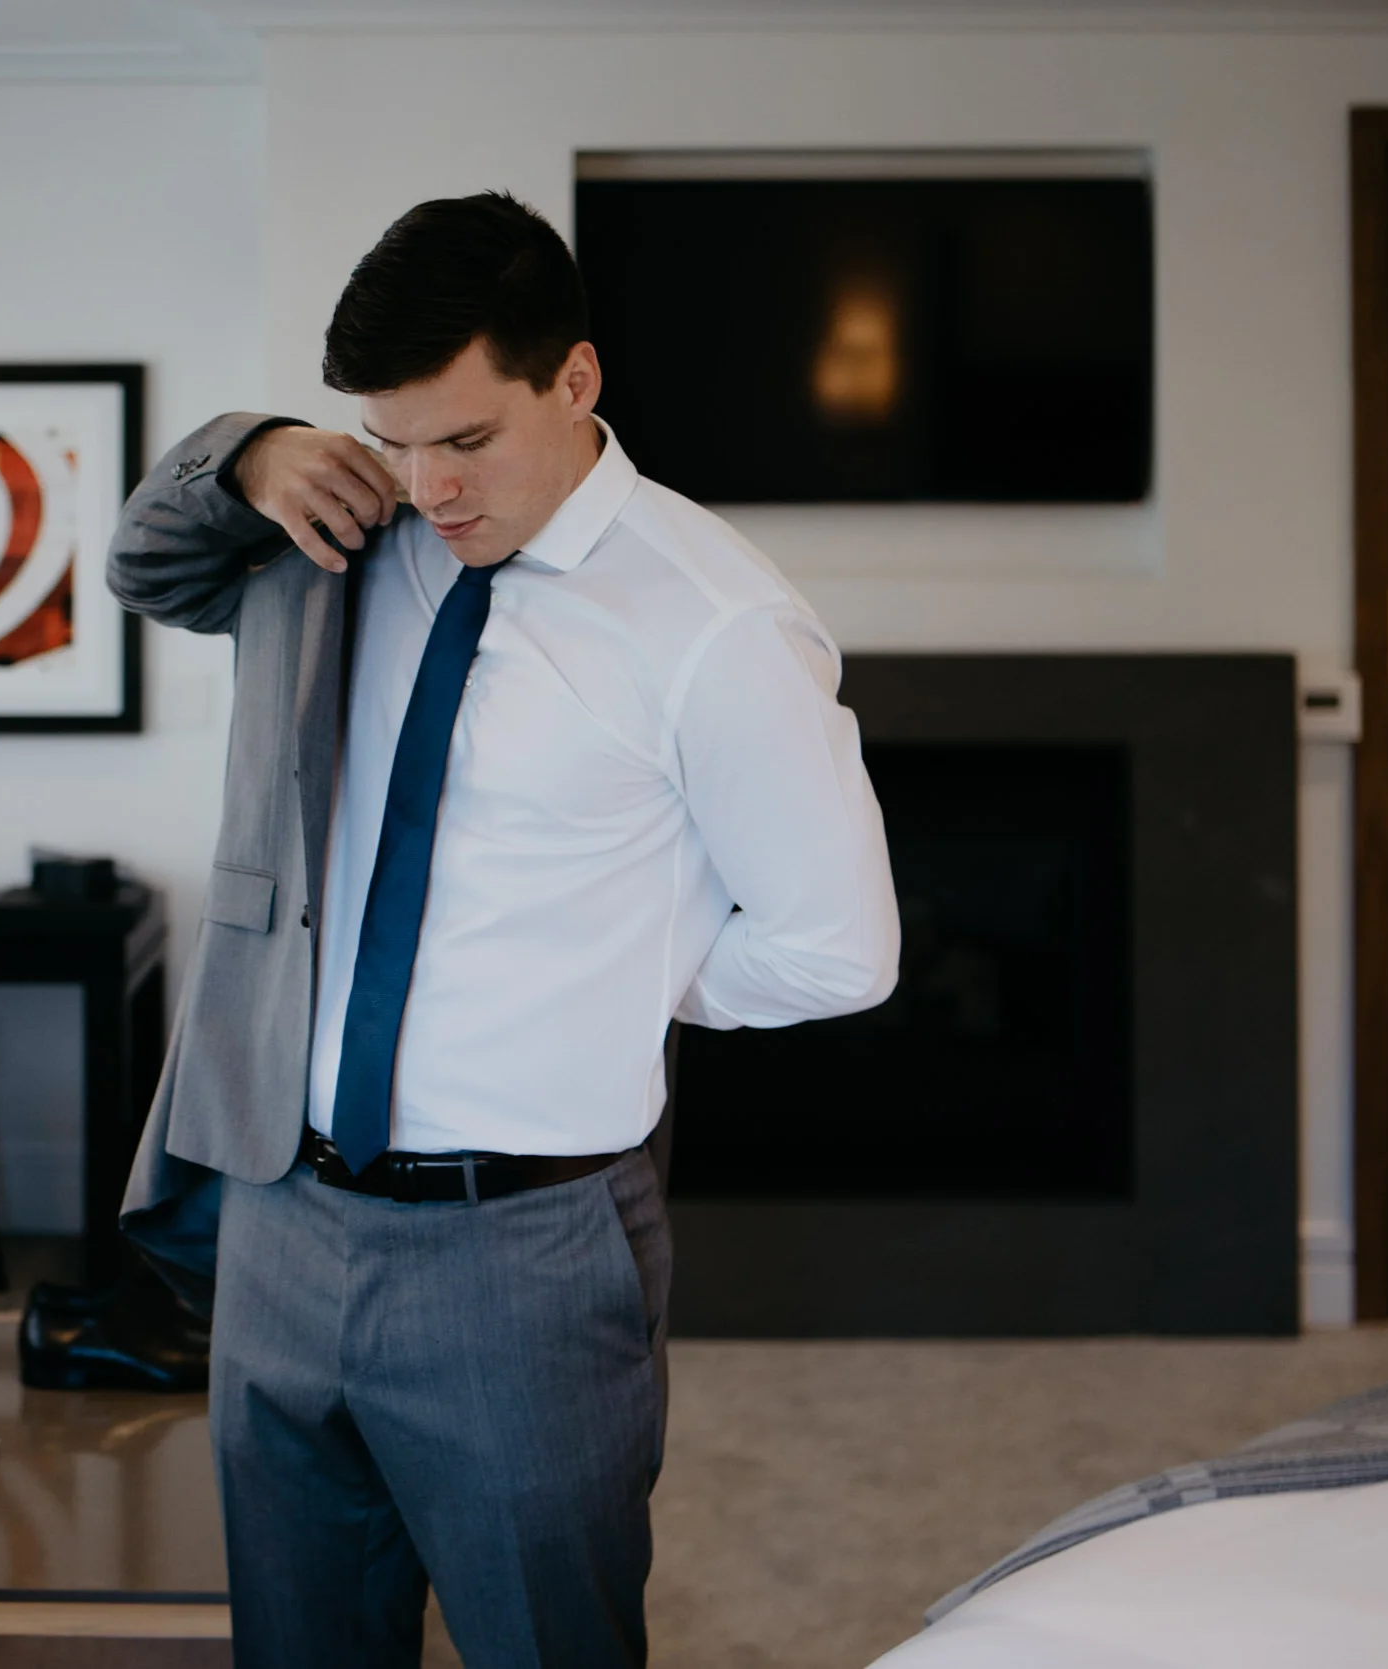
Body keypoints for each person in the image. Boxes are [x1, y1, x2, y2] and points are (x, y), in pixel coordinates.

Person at [109, 190, 898, 1668]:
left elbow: (839, 950)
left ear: (576, 381)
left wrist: (619, 971)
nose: (428, 485)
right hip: (282, 1210)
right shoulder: (333, 532)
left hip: (520, 1254)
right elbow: (145, 568)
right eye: (395, 438)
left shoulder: (716, 620)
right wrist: (255, 449)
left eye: (465, 440)